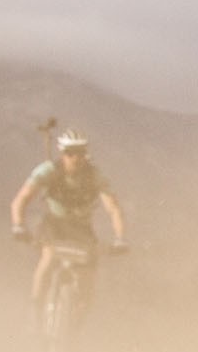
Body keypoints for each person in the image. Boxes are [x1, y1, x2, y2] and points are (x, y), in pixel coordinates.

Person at [9, 127, 127, 317]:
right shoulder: (48, 171)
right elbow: (21, 199)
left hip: (81, 228)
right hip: (54, 224)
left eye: (81, 152)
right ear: (62, 153)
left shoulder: (95, 176)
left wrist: (120, 237)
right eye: (70, 153)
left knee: (88, 274)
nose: (76, 158)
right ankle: (35, 308)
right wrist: (18, 225)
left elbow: (113, 207)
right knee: (48, 259)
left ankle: (78, 317)